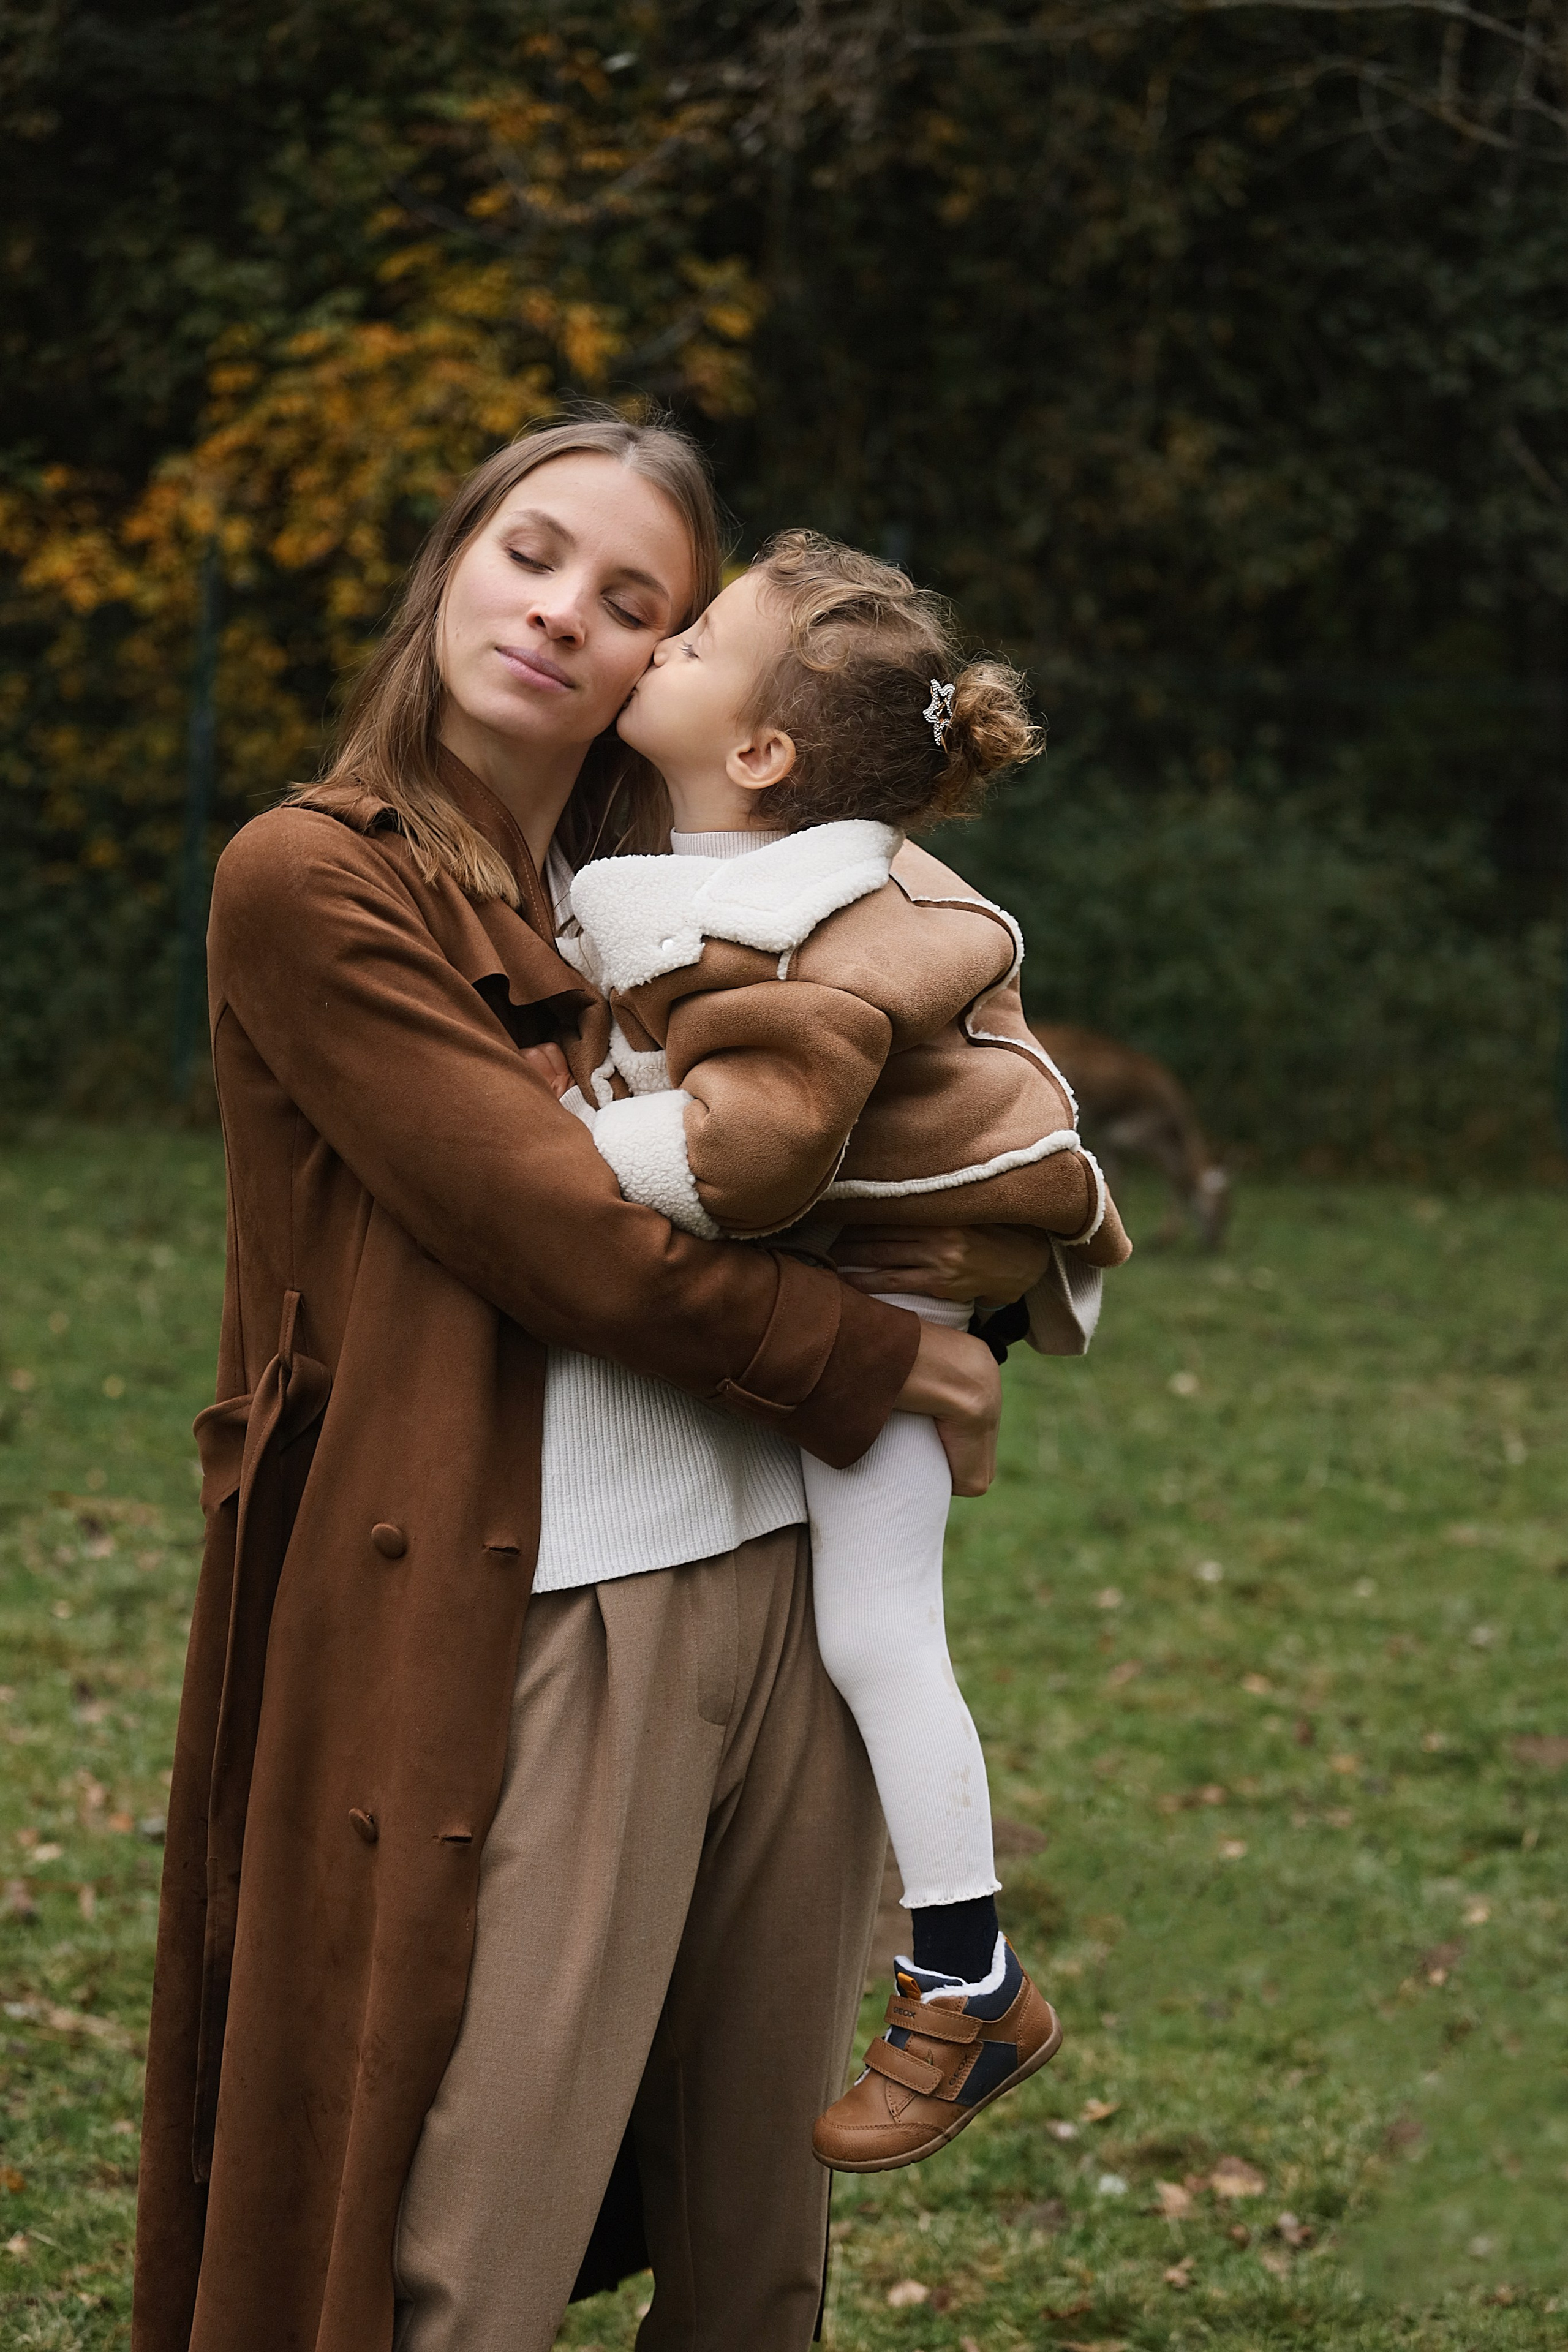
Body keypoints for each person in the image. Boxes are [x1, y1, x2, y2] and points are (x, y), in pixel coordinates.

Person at [132, 413, 1053, 2352]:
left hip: (789, 1575)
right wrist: (878, 1354)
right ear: (453, 562)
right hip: (552, 1594)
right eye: (533, 552)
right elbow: (554, 1226)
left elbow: (959, 1049)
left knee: (757, 2254)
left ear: (678, 668)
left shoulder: (723, 872)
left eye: (639, 600)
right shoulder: (317, 877)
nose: (565, 614)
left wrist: (989, 1249)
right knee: (479, 2249)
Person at [526, 528, 1130, 2174]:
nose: (660, 641)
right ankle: (966, 1974)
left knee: (879, 1635)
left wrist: (560, 1149)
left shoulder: (801, 924)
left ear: (761, 755)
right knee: (871, 1630)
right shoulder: (748, 879)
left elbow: (749, 1157)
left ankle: (970, 1982)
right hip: (883, 1293)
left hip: (904, 1302)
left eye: (696, 639)